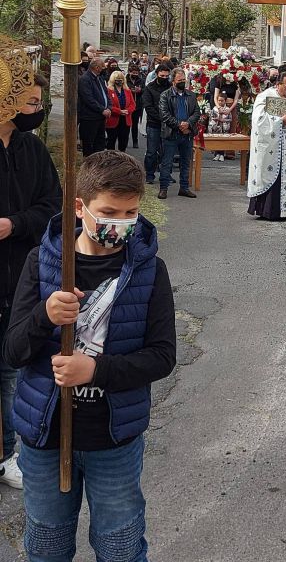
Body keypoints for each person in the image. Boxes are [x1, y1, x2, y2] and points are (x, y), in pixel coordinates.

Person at [3, 151, 176, 561]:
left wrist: (95, 370)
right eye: (109, 213)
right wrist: (44, 316)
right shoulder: (43, 261)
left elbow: (162, 356)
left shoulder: (149, 270)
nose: (120, 223)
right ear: (80, 208)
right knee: (46, 544)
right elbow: (13, 350)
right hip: (45, 435)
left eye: (130, 213)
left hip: (112, 437)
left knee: (120, 545)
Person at [0, 72, 62, 494]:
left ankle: (8, 453)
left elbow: (52, 206)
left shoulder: (33, 149)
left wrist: (14, 224)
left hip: (21, 276)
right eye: (31, 102)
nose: (36, 110)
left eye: (39, 102)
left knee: (10, 371)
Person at [247, 73, 286, 220]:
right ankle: (268, 210)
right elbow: (258, 120)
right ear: (278, 84)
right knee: (269, 175)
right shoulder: (264, 97)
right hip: (269, 145)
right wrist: (279, 121)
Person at [157, 68, 200, 200]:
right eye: (179, 80)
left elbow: (196, 113)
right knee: (167, 162)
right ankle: (163, 188)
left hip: (187, 133)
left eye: (184, 79)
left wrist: (188, 124)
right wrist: (179, 125)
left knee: (186, 162)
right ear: (173, 81)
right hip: (171, 134)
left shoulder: (191, 95)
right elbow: (164, 114)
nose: (182, 82)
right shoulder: (165, 95)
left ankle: (184, 188)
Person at [142, 64, 171, 185]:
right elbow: (148, 107)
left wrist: (169, 119)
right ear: (157, 74)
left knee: (167, 151)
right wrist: (162, 118)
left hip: (168, 124)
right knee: (151, 151)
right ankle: (149, 175)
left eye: (166, 76)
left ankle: (166, 174)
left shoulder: (170, 87)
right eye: (162, 76)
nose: (164, 78)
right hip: (154, 123)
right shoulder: (149, 88)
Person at [78, 58, 111, 156]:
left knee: (100, 144)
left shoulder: (99, 78)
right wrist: (102, 109)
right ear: (97, 67)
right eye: (102, 67)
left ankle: (98, 163)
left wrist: (109, 107)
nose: (104, 69)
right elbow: (88, 99)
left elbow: (106, 94)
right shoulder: (85, 79)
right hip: (90, 118)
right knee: (89, 145)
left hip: (101, 118)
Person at [105, 70, 136, 153]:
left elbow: (133, 104)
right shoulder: (108, 91)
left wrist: (127, 111)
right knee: (111, 142)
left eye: (121, 79)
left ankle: (122, 158)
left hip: (125, 120)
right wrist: (119, 111)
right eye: (117, 79)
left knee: (123, 142)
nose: (119, 81)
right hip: (113, 119)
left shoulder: (127, 91)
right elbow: (108, 105)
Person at [208, 92, 232, 161]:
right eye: (219, 100)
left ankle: (222, 154)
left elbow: (231, 119)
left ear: (225, 101)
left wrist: (223, 120)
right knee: (217, 140)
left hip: (224, 128)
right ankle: (216, 154)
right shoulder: (215, 108)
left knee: (223, 141)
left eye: (222, 100)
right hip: (216, 127)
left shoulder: (227, 109)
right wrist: (215, 120)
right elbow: (211, 117)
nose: (220, 102)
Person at [127, 65, 146, 149]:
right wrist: (130, 90)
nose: (135, 74)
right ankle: (125, 140)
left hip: (137, 105)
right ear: (129, 72)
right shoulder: (125, 80)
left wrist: (140, 90)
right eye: (133, 73)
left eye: (136, 73)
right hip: (127, 105)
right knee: (126, 125)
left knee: (135, 125)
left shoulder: (141, 80)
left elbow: (145, 90)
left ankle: (135, 141)